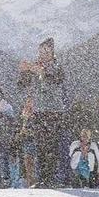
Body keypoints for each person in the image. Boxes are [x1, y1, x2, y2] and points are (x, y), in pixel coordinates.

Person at [19, 37, 69, 188]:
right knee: (40, 144)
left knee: (52, 145)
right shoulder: (36, 66)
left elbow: (55, 78)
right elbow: (23, 85)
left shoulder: (57, 66)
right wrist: (24, 72)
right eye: (40, 51)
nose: (42, 54)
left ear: (52, 52)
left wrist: (36, 70)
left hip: (54, 110)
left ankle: (51, 178)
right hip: (39, 110)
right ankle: (42, 179)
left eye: (46, 51)